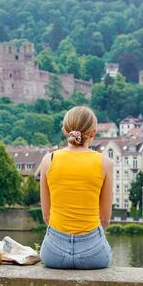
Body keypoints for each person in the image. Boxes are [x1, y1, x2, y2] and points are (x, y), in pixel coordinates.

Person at [39, 106, 113, 269]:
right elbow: (105, 219)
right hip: (93, 253)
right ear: (93, 133)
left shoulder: (48, 160)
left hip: (53, 253)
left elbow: (46, 216)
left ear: (65, 131)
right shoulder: (104, 163)